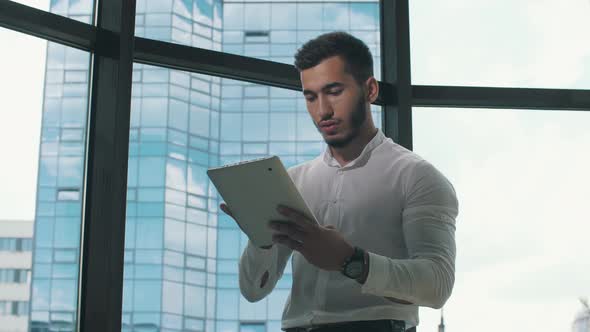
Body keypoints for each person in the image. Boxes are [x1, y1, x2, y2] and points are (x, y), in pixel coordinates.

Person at [220, 31, 459, 332]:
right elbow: (253, 291)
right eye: (311, 96)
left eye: (334, 91)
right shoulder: (291, 181)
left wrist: (349, 260)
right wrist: (260, 236)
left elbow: (437, 284)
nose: (322, 111)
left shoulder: (417, 177)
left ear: (370, 89)